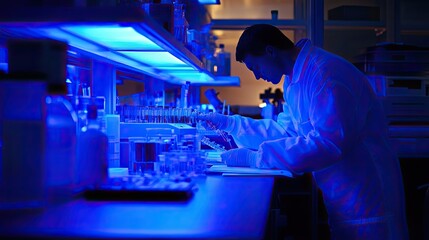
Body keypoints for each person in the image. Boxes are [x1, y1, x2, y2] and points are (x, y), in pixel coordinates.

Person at [199, 24, 409, 239]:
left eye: (256, 68)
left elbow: (329, 143)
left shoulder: (325, 75)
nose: (257, 76)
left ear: (270, 51)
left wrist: (256, 159)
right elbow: (288, 131)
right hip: (343, 193)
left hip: (367, 198)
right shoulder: (294, 79)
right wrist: (231, 124)